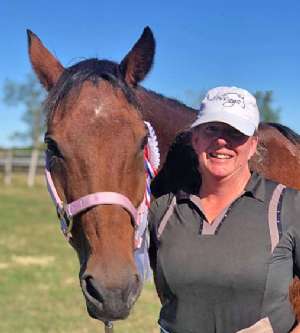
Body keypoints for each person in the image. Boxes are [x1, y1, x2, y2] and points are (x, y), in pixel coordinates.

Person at [148, 86, 300, 333]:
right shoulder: (163, 211)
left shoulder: (288, 205)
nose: (222, 140)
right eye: (212, 129)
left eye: (235, 132)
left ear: (252, 145)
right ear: (195, 138)